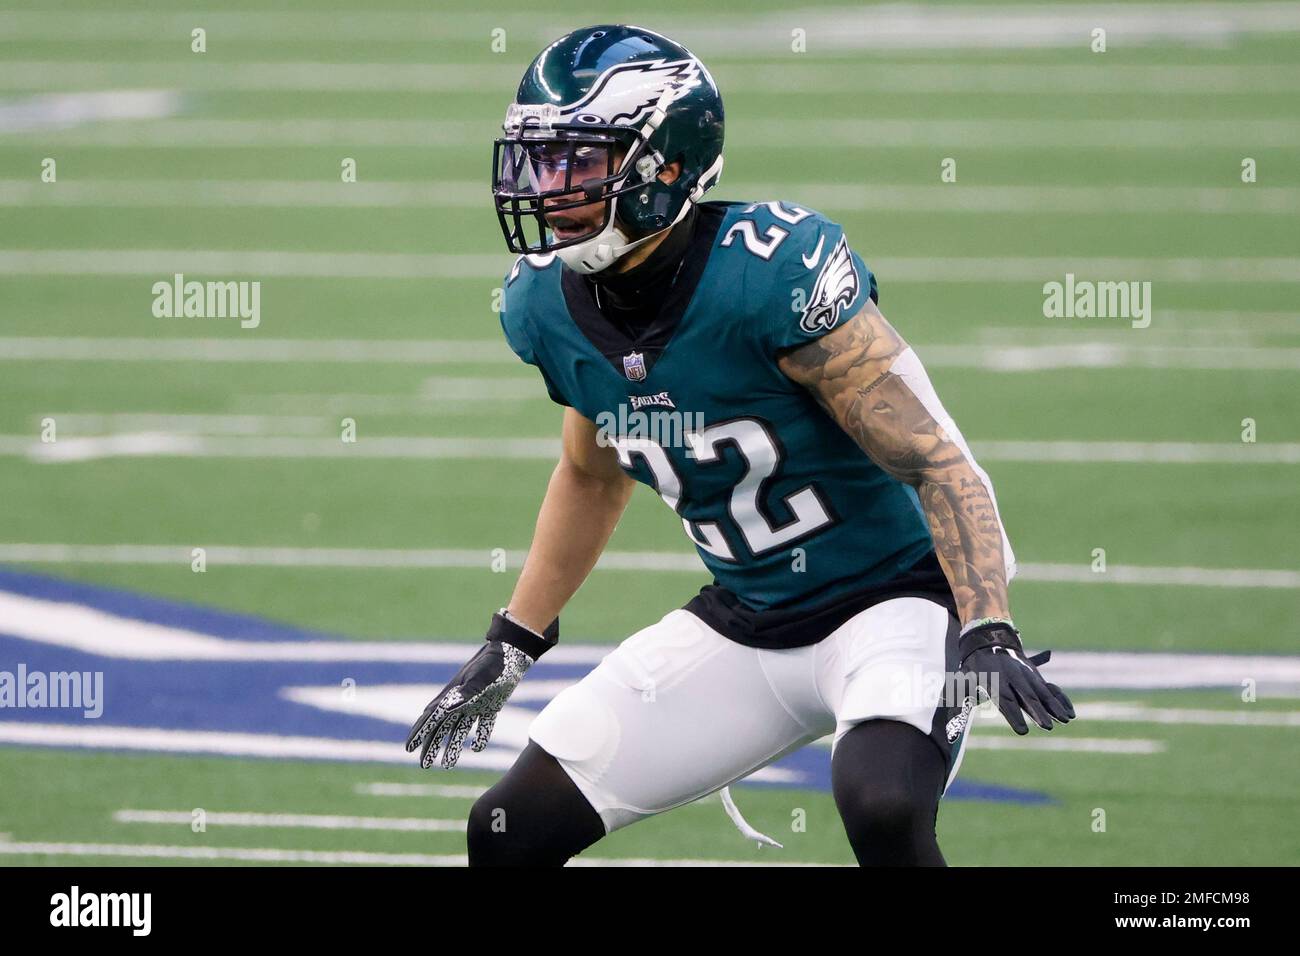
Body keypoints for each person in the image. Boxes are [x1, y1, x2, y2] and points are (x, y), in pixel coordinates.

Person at [407, 24, 1074, 866]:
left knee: (882, 803)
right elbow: (591, 471)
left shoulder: (769, 274)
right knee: (507, 828)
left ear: (667, 167)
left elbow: (935, 460)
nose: (551, 188)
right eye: (542, 162)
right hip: (748, 619)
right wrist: (514, 640)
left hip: (896, 601)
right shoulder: (546, 305)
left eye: (580, 162)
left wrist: (987, 627)